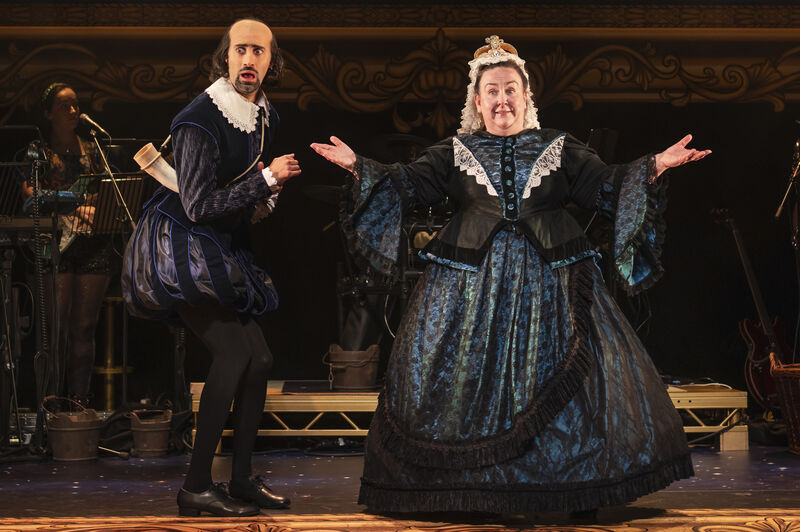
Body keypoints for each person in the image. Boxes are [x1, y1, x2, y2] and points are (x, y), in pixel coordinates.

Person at [311, 35, 711, 516]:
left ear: (525, 97)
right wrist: (361, 167)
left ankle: (565, 487)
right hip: (468, 282)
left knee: (570, 377)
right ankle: (475, 489)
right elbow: (409, 184)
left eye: (510, 90)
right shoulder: (454, 150)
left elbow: (604, 185)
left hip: (555, 279)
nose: (502, 99)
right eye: (492, 91)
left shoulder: (561, 148)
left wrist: (655, 166)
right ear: (477, 102)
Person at [122, 18, 300, 517]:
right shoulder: (199, 117)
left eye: (259, 52)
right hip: (181, 248)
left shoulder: (264, 115)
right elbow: (198, 205)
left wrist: (263, 198)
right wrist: (264, 180)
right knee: (232, 355)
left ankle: (240, 479)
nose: (249, 60)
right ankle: (196, 486)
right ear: (226, 56)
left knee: (259, 359)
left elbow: (235, 200)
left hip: (218, 245)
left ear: (271, 61)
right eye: (241, 50)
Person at [24, 82, 116, 405]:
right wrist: (73, 205)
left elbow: (109, 193)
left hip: (92, 245)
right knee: (55, 332)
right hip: (54, 246)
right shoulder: (38, 152)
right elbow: (30, 196)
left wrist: (100, 208)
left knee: (84, 328)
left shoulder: (93, 150)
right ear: (49, 113)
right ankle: (50, 404)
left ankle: (79, 403)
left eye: (76, 105)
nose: (74, 111)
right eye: (65, 106)